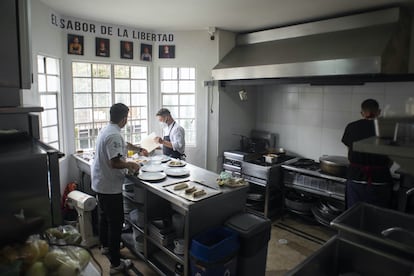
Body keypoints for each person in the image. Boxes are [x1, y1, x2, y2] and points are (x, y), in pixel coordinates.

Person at [91, 103, 148, 274]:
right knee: (115, 224)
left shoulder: (109, 130)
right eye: (127, 117)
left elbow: (122, 145)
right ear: (124, 118)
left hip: (101, 183)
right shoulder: (114, 135)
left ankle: (106, 247)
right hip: (109, 186)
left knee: (104, 218)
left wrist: (138, 149)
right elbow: (115, 162)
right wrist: (132, 164)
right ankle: (116, 264)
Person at [341, 99, 393, 209]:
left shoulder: (352, 126)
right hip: (380, 178)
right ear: (379, 112)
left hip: (355, 177)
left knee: (354, 213)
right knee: (378, 215)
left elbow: (349, 153)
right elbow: (391, 157)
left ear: (362, 113)